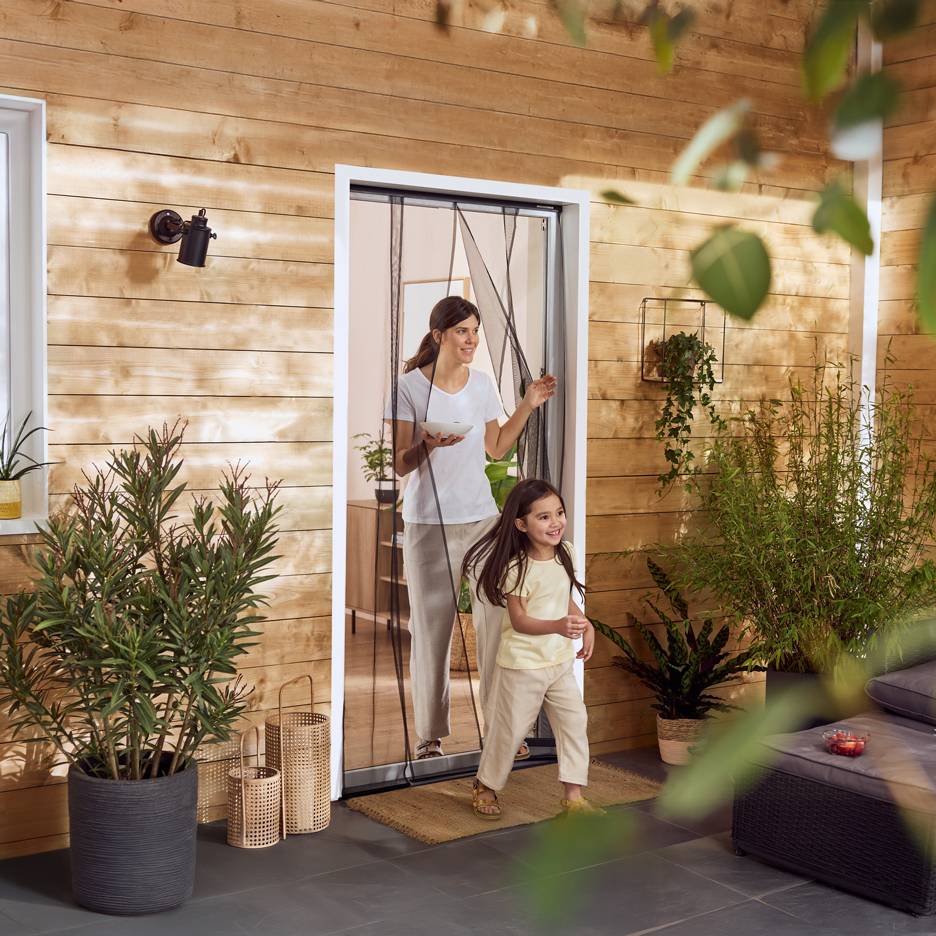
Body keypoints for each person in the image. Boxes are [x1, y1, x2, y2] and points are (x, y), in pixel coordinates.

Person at [388, 295, 556, 760]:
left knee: (496, 624)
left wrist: (528, 403)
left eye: (475, 330)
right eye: (462, 331)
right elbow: (401, 465)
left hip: (481, 520)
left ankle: (504, 728)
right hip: (427, 523)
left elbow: (498, 447)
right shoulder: (407, 389)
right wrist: (429, 445)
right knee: (431, 628)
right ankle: (429, 736)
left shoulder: (481, 385)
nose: (471, 339)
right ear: (439, 335)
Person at [462, 478, 603, 818]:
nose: (555, 522)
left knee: (574, 722)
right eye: (543, 517)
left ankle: (573, 797)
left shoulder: (565, 554)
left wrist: (586, 624)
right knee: (510, 732)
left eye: (558, 513)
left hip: (558, 662)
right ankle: (486, 784)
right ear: (521, 524)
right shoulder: (517, 568)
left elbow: (563, 598)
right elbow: (520, 620)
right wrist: (557, 626)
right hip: (522, 665)